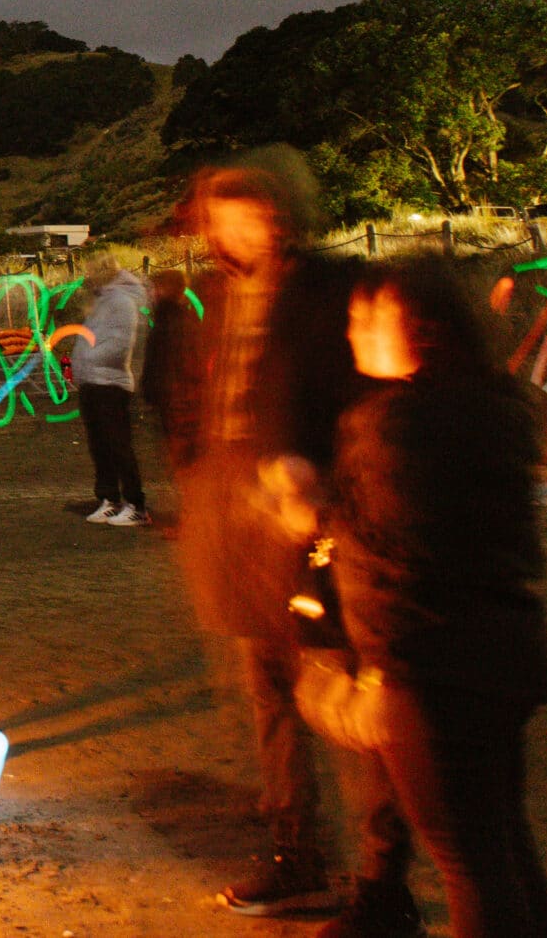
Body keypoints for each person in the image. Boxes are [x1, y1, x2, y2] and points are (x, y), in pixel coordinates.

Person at [298, 260, 547, 938]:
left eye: (368, 316)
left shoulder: (394, 423)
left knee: (468, 861)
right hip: (502, 654)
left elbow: (398, 563)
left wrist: (379, 674)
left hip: (431, 669)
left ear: (423, 329)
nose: (352, 329)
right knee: (501, 839)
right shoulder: (494, 405)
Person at [146, 153, 363, 918]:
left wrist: (325, 491)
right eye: (222, 217)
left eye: (251, 213)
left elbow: (358, 397)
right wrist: (197, 471)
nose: (236, 230)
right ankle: (295, 852)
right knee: (268, 696)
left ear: (282, 212)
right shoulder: (215, 295)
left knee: (342, 699)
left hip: (311, 528)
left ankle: (381, 879)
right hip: (235, 527)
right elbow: (192, 393)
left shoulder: (329, 291)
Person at [69, 258, 151, 526]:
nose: (87, 279)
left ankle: (135, 504)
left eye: (91, 273)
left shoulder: (120, 302)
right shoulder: (104, 301)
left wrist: (89, 362)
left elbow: (120, 344)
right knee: (101, 446)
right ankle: (110, 498)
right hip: (95, 381)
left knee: (117, 445)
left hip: (110, 384)